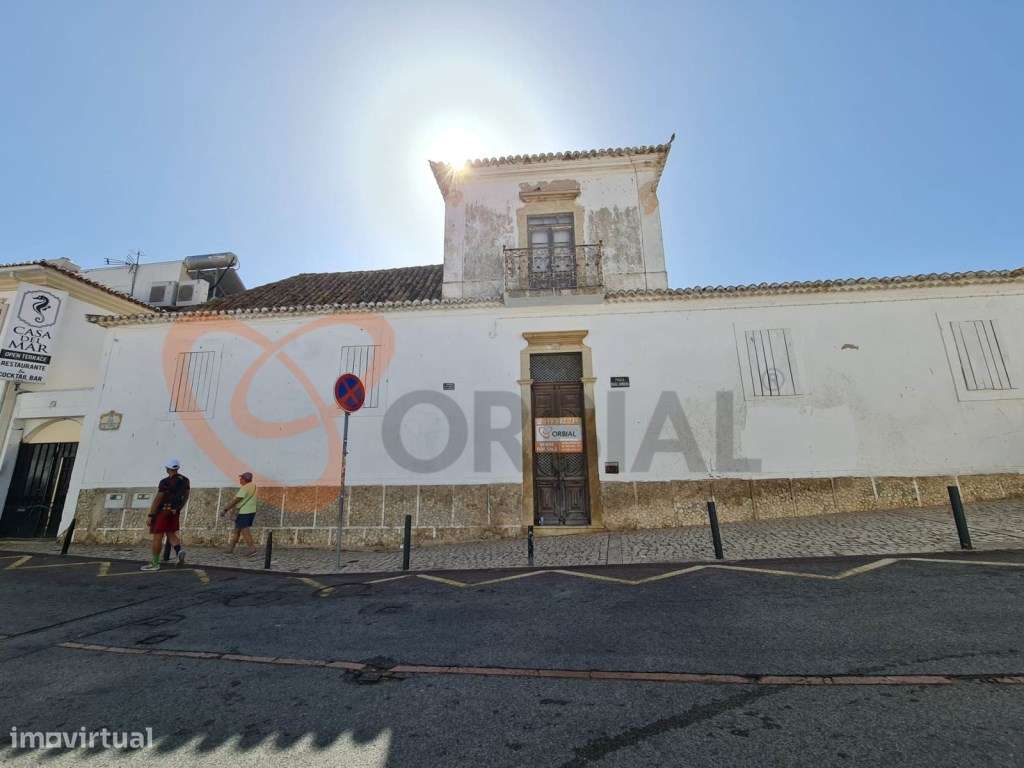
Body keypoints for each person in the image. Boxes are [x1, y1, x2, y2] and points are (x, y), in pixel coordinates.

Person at [141, 459, 191, 571]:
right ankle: (179, 551)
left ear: (168, 469)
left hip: (162, 511)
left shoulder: (165, 481)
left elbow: (158, 499)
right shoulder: (185, 480)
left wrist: (151, 515)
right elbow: (186, 496)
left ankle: (155, 563)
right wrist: (178, 508)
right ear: (177, 468)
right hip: (174, 511)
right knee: (170, 533)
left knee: (157, 536)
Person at [221, 471, 258, 556]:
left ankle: (252, 549)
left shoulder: (244, 488)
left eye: (241, 478)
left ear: (244, 479)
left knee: (245, 530)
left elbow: (236, 501)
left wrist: (225, 509)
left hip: (245, 512)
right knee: (237, 530)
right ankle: (230, 548)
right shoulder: (253, 486)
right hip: (251, 510)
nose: (240, 480)